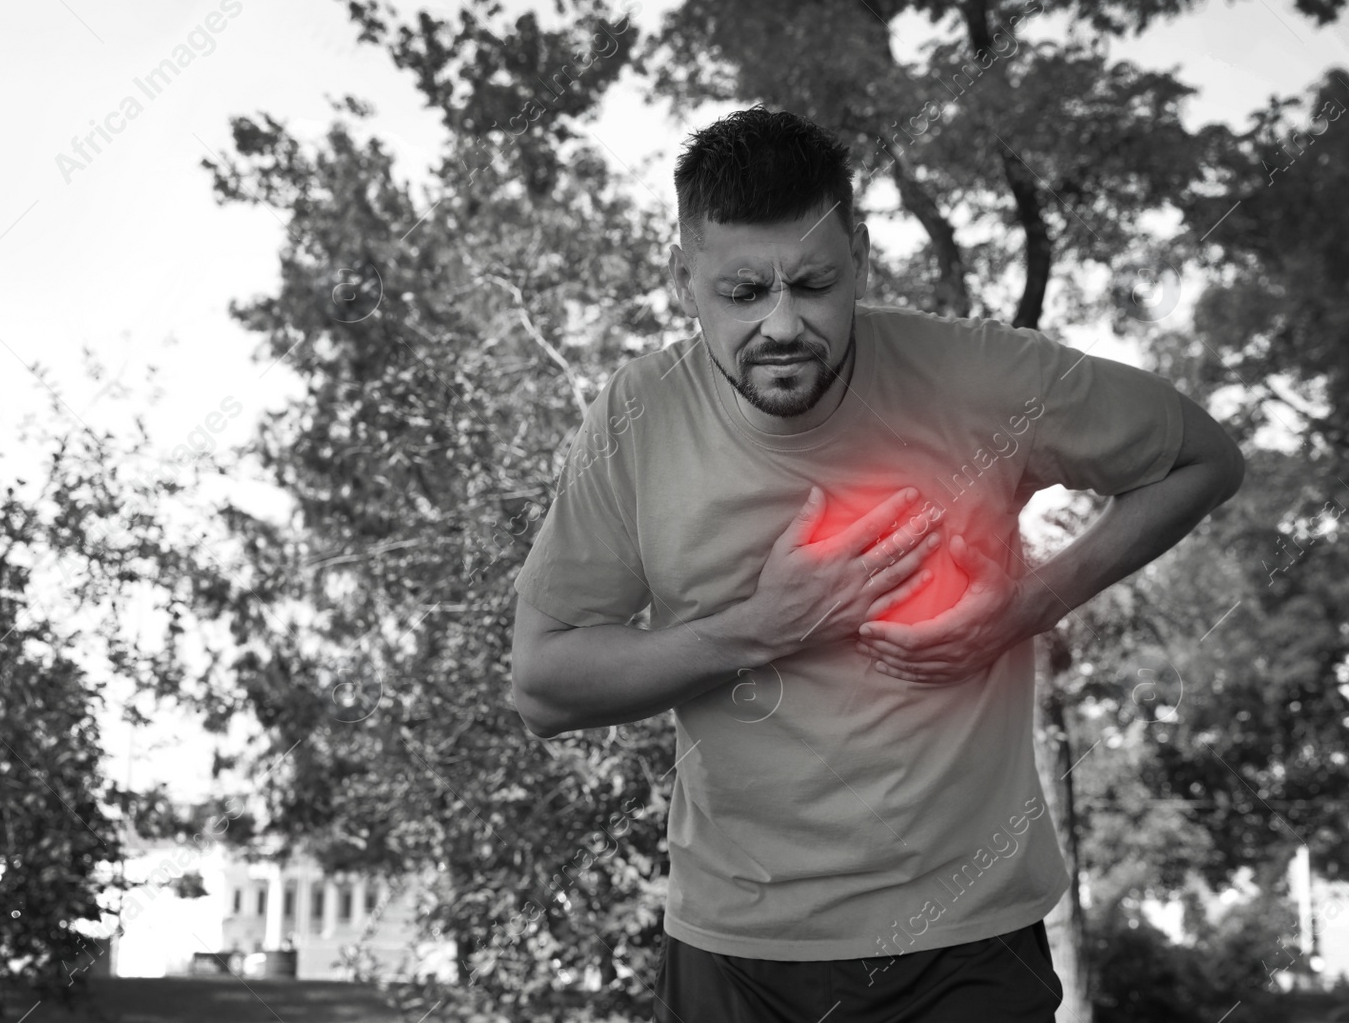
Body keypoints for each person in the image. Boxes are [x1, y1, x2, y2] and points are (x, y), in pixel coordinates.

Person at [508, 105, 1245, 1022]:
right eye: (741, 293)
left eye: (813, 284)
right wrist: (759, 626)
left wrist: (1027, 605)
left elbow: (1205, 458)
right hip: (737, 952)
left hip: (967, 944)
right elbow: (543, 684)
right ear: (682, 276)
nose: (783, 324)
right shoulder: (640, 414)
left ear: (859, 250)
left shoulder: (985, 378)